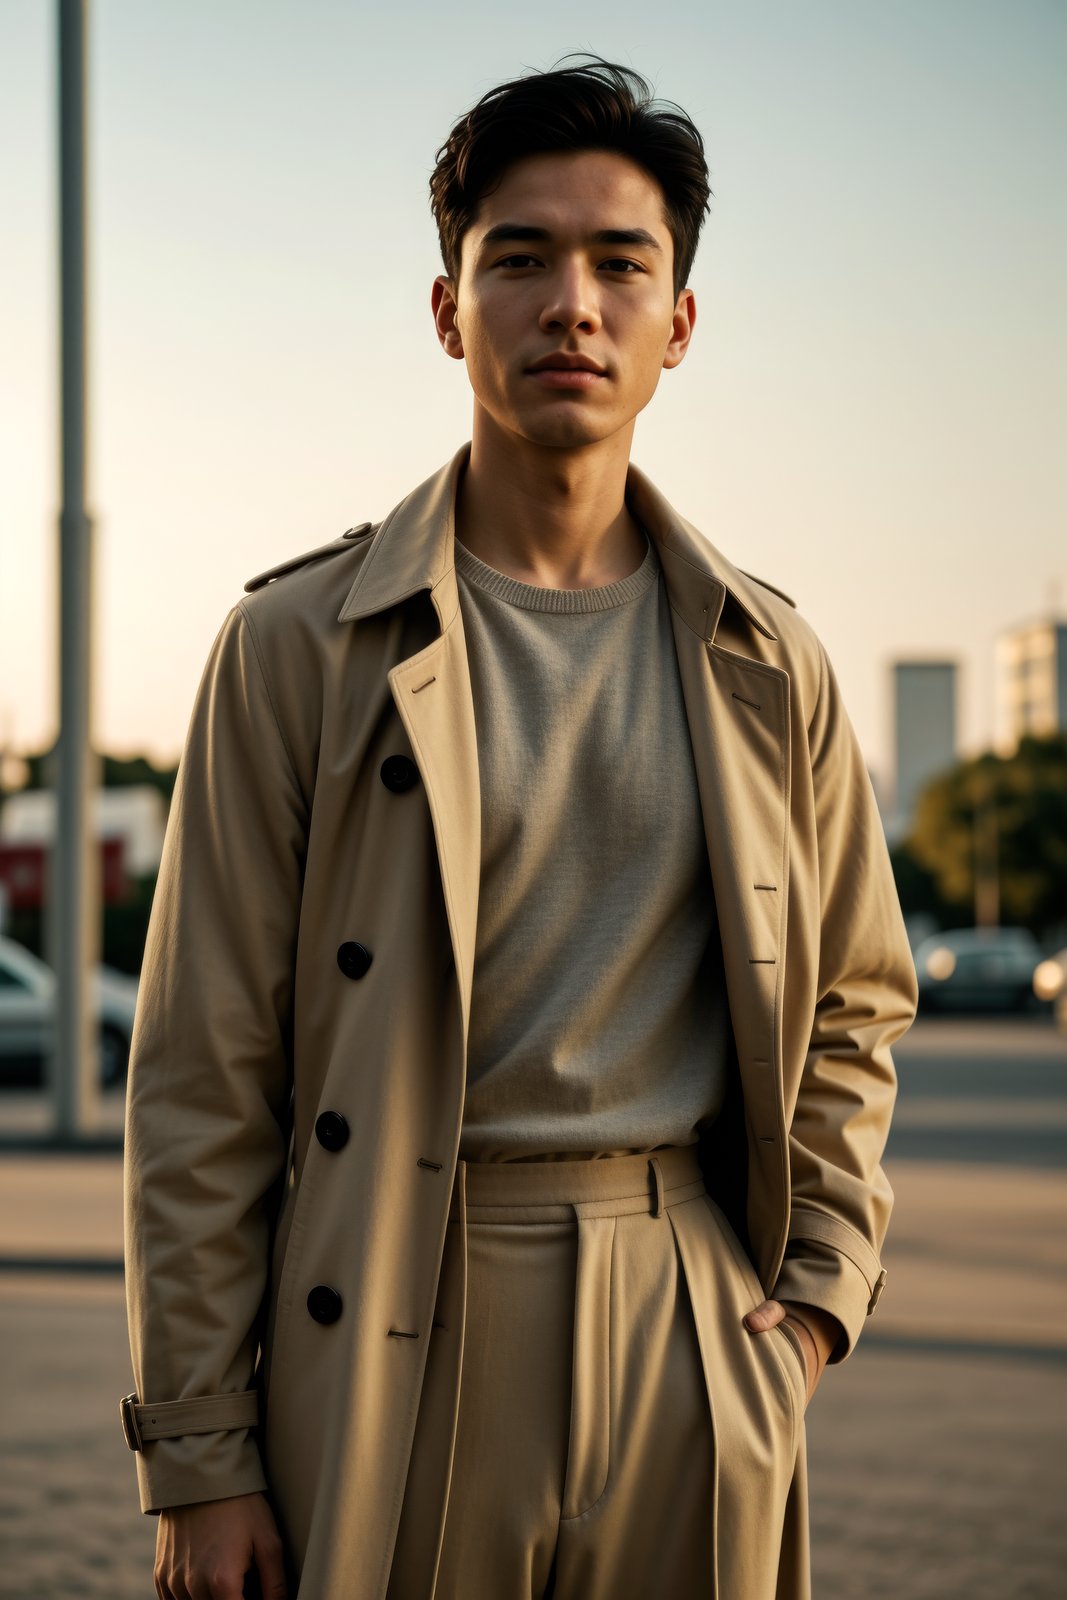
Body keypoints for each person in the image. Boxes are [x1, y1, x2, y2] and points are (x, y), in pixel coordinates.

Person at [122, 56, 917, 1600]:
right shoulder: (301, 646)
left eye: (622, 263)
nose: (574, 304)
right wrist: (202, 1454)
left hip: (694, 1313)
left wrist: (816, 1300)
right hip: (403, 1294)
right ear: (447, 310)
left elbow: (858, 1008)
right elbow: (204, 1075)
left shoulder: (769, 662)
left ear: (679, 324)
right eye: (521, 260)